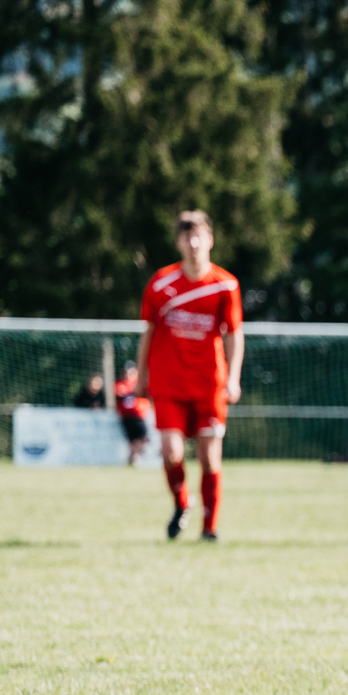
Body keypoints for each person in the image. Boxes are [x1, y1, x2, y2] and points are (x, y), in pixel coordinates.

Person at [137, 210, 243, 542]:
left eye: (199, 236)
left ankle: (209, 528)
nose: (194, 243)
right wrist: (141, 375)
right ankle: (182, 503)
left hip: (210, 383)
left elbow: (234, 333)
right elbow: (148, 332)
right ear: (179, 242)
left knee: (211, 458)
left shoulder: (226, 285)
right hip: (169, 382)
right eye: (187, 237)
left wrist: (234, 376)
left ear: (210, 240)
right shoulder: (161, 283)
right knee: (171, 453)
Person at [115, 362, 153, 466]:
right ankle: (133, 458)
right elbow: (119, 397)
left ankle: (133, 458)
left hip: (139, 416)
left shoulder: (138, 384)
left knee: (141, 439)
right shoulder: (121, 385)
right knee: (139, 439)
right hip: (130, 417)